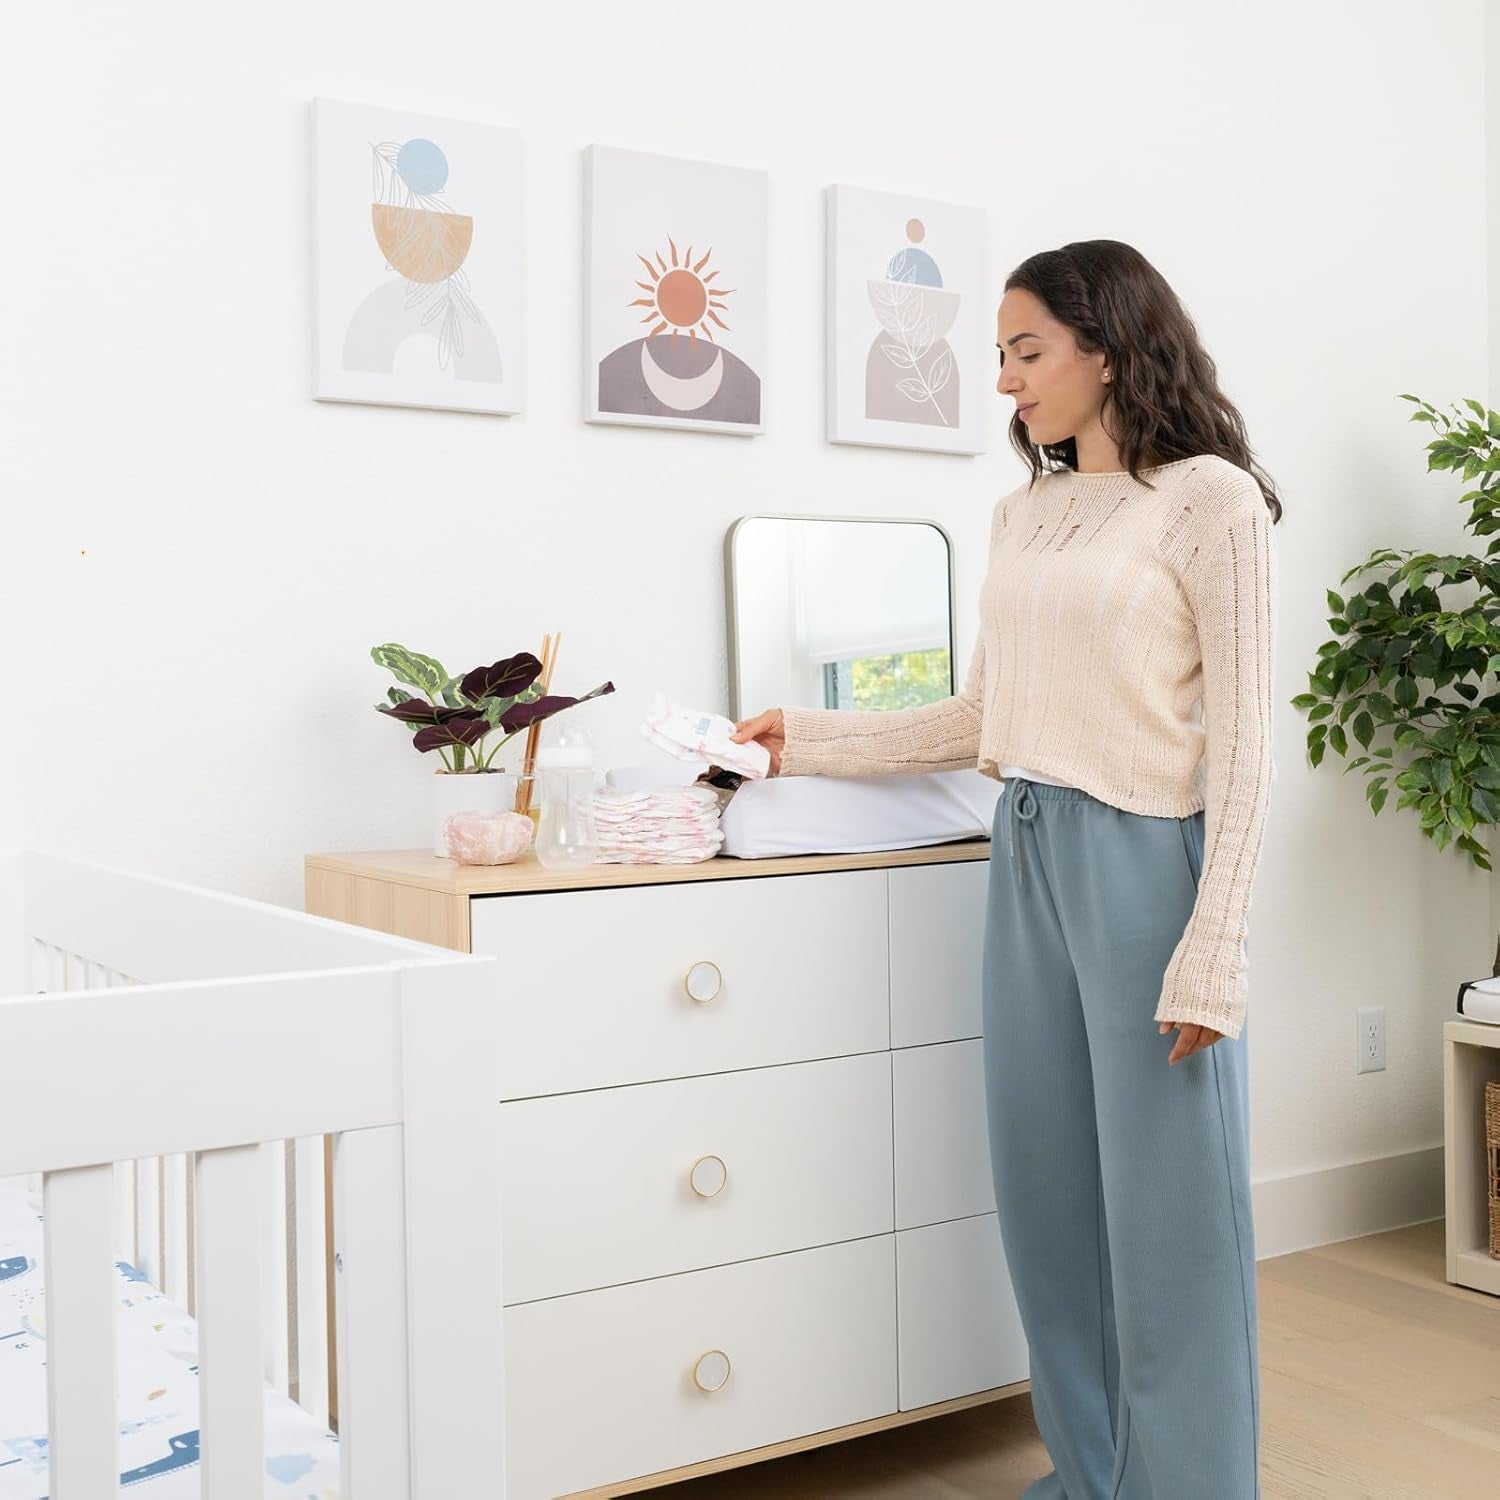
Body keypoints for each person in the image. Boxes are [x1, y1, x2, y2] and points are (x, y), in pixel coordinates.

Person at [730, 239, 1278, 1499]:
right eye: (999, 356)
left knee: (1170, 1212)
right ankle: (1093, 1475)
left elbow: (1248, 745)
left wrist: (1217, 938)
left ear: (1109, 346)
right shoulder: (1022, 514)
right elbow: (983, 715)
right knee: (1046, 1193)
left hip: (1150, 861)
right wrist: (799, 739)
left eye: (1027, 352)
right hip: (1025, 847)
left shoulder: (1209, 500)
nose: (1006, 382)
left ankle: (1189, 1485)